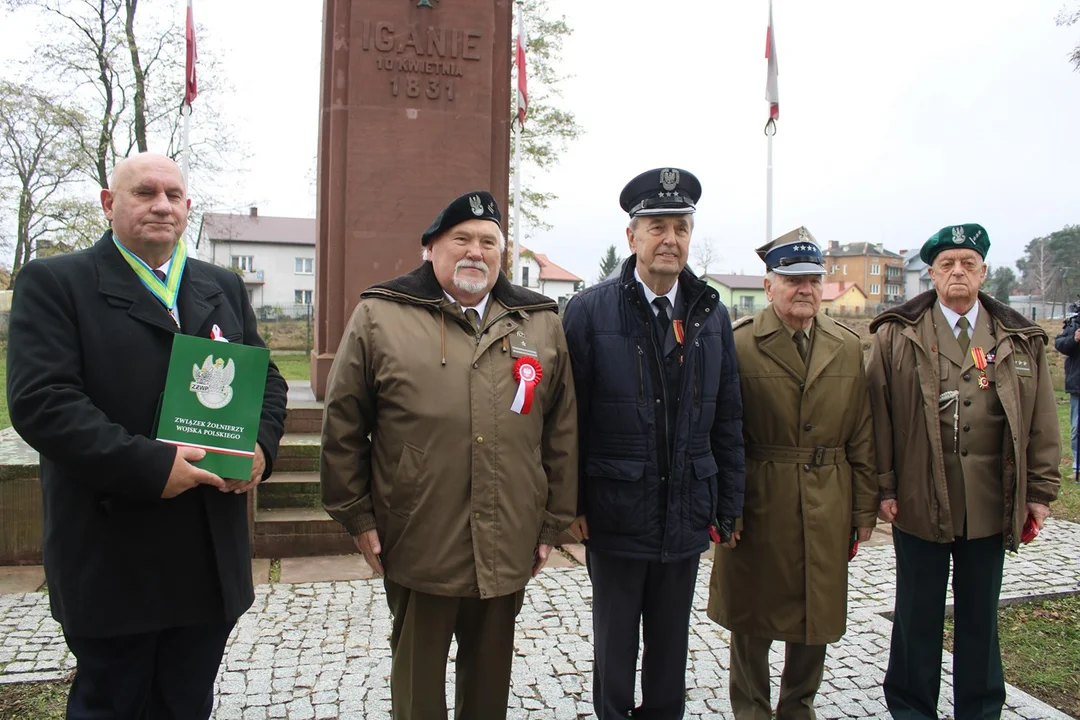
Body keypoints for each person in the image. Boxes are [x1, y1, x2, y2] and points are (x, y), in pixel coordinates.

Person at [6, 152, 288, 719]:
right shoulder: (58, 283)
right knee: (112, 703)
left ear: (187, 208)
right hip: (114, 555)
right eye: (145, 193)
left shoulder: (221, 287)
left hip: (208, 554)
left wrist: (258, 446)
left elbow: (269, 382)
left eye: (174, 195)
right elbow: (44, 403)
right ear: (110, 204)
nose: (162, 205)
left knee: (186, 703)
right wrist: (153, 466)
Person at [319, 190, 578, 720]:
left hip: (509, 530)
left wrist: (552, 523)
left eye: (488, 242)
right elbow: (344, 423)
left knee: (489, 685)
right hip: (418, 532)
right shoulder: (380, 314)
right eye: (460, 238)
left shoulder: (540, 320)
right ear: (430, 248)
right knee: (418, 684)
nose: (474, 252)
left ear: (502, 255)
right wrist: (356, 514)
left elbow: (561, 429)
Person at [562, 167, 745, 720]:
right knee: (614, 649)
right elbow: (567, 420)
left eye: (681, 228)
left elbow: (729, 418)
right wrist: (571, 505)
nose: (671, 239)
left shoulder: (711, 315)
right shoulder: (590, 312)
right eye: (657, 226)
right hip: (617, 512)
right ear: (632, 237)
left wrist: (728, 506)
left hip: (687, 510)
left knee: (671, 649)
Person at [867, 223, 1060, 720]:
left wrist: (1039, 492)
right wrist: (883, 486)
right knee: (917, 614)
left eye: (967, 263)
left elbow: (1042, 417)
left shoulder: (1018, 337)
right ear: (930, 274)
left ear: (983, 272)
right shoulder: (896, 334)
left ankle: (980, 709)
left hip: (991, 503)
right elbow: (877, 416)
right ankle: (911, 709)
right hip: (917, 497)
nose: (957, 272)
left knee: (980, 617)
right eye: (947, 264)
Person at [706, 227, 877, 720]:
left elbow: (861, 431)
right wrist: (724, 506)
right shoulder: (738, 345)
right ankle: (752, 710)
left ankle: (798, 707)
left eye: (813, 279)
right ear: (769, 285)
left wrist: (864, 508)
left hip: (829, 493)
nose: (805, 289)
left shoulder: (846, 346)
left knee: (817, 610)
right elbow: (718, 432)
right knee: (751, 614)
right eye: (793, 279)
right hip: (760, 494)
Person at [1053, 304, 1080, 473]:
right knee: (1077, 428)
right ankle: (1078, 465)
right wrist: (1074, 339)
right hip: (1077, 384)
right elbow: (1059, 343)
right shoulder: (1074, 323)